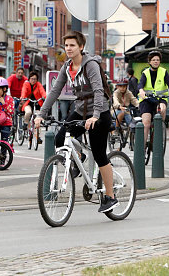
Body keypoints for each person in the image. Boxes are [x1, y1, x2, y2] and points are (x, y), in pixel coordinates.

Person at [34, 30, 118, 213]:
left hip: (100, 111)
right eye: (66, 45)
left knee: (99, 153)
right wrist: (41, 114)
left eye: (72, 45)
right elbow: (55, 91)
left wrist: (95, 116)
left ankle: (110, 196)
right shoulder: (67, 67)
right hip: (80, 110)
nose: (69, 48)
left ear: (81, 47)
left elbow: (98, 91)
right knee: (60, 138)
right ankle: (79, 157)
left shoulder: (90, 65)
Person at [137, 50, 169, 145]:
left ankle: (159, 127)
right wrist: (141, 91)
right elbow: (140, 85)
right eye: (153, 60)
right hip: (146, 100)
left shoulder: (163, 72)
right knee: (146, 123)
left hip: (160, 99)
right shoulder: (145, 73)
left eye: (157, 60)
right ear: (149, 62)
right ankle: (142, 148)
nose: (156, 61)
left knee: (162, 108)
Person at [21, 71, 46, 143]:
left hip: (37, 103)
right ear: (29, 79)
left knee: (38, 118)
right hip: (28, 102)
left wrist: (45, 97)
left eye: (35, 79)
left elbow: (42, 92)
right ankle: (25, 123)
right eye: (32, 79)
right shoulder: (26, 84)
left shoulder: (38, 85)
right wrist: (23, 97)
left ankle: (38, 136)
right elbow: (24, 91)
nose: (33, 80)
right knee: (28, 112)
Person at [0, 77, 14, 142]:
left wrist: (4, 103)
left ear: (4, 89)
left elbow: (11, 112)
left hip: (6, 123)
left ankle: (3, 152)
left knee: (4, 141)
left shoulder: (10, 99)